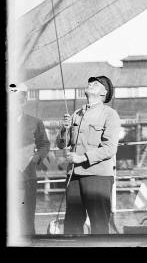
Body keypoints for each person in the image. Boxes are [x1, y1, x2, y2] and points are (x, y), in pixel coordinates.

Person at [56, 75, 121, 234]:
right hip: (74, 177)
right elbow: (60, 144)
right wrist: (64, 129)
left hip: (98, 176)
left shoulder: (110, 115)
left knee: (99, 224)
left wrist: (82, 158)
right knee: (71, 225)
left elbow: (110, 148)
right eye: (90, 82)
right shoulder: (76, 114)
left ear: (104, 93)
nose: (91, 84)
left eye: (96, 84)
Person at [10, 82, 50, 236]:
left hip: (27, 178)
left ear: (24, 101)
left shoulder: (35, 122)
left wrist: (37, 157)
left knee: (26, 221)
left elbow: (45, 144)